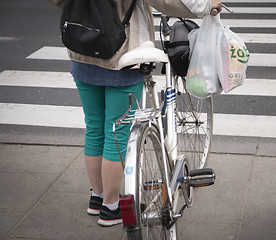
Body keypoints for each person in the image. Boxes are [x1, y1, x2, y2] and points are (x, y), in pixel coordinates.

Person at [49, 0, 222, 227]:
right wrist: (205, 5)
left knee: (94, 128)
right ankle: (111, 208)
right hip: (120, 51)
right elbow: (166, 1)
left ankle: (98, 197)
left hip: (82, 49)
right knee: (118, 132)